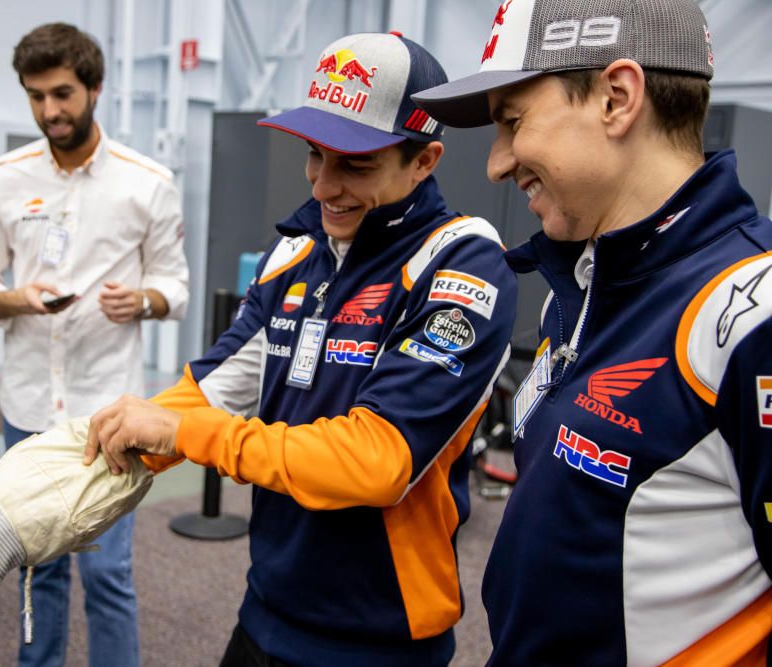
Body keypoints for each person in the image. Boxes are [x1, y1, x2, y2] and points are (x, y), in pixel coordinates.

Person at [85, 32, 517, 665]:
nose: (322, 186)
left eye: (355, 164)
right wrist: (44, 497)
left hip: (381, 636)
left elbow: (376, 461)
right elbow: (213, 388)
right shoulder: (295, 251)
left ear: (424, 160)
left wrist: (186, 435)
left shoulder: (461, 265)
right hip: (266, 607)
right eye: (315, 155)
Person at [412, 0, 772, 664]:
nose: (496, 162)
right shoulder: (583, 282)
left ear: (616, 98)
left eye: (512, 122)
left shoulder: (752, 317)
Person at [0, 23, 189, 667]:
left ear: (95, 87)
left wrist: (140, 300)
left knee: (108, 574)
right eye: (36, 97)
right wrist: (14, 297)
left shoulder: (148, 182)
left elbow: (177, 287)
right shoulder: (4, 177)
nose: (50, 111)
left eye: (62, 93)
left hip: (110, 411)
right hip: (27, 406)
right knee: (38, 567)